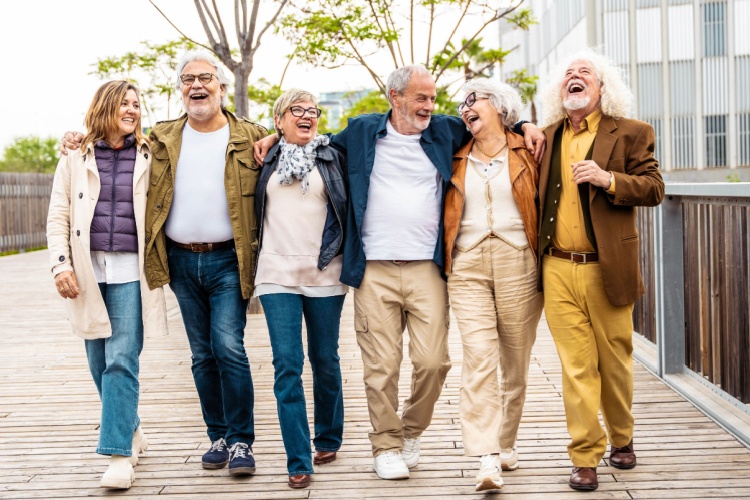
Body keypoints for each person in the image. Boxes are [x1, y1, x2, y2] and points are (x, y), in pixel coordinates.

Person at [255, 65, 546, 480]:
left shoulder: (447, 131)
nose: (429, 105)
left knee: (433, 362)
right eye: (421, 97)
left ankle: (411, 430)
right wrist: (272, 135)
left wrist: (527, 123)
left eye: (432, 98)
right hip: (373, 268)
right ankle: (386, 444)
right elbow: (312, 141)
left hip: (428, 267)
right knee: (381, 365)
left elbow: (495, 122)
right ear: (395, 97)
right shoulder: (360, 132)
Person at [61, 49, 267, 476]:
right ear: (180, 89)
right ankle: (219, 436)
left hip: (228, 259)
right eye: (189, 79)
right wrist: (74, 138)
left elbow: (287, 136)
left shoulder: (250, 135)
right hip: (178, 262)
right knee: (200, 355)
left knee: (228, 347)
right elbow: (108, 146)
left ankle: (242, 441)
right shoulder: (160, 139)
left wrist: (279, 137)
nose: (198, 86)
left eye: (206, 78)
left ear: (222, 87)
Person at [536, 49, 664, 491]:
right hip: (556, 267)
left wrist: (608, 179)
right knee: (576, 367)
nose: (574, 77)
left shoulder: (631, 132)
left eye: (584, 72)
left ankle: (622, 438)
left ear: (601, 86)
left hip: (607, 267)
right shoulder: (547, 136)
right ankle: (584, 456)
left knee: (615, 364)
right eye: (568, 74)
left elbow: (654, 188)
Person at [47, 80, 168, 490]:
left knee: (121, 360)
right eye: (124, 104)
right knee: (99, 364)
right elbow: (58, 215)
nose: (132, 110)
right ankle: (131, 428)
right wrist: (59, 265)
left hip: (132, 273)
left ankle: (118, 455)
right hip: (86, 272)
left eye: (137, 104)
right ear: (105, 107)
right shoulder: (75, 157)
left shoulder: (151, 154)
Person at [443, 78, 543, 492]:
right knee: (480, 358)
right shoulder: (453, 153)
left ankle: (506, 442)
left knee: (515, 363)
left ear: (499, 107)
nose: (465, 108)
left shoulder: (532, 149)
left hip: (518, 259)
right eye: (461, 104)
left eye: (473, 99)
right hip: (466, 264)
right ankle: (486, 457)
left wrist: (528, 126)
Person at [254, 89, 348, 489]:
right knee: (287, 365)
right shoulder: (261, 157)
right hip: (276, 273)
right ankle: (298, 459)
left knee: (325, 358)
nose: (307, 116)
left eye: (313, 111)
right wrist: (272, 140)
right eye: (297, 110)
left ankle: (327, 436)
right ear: (279, 120)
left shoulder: (332, 154)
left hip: (325, 271)